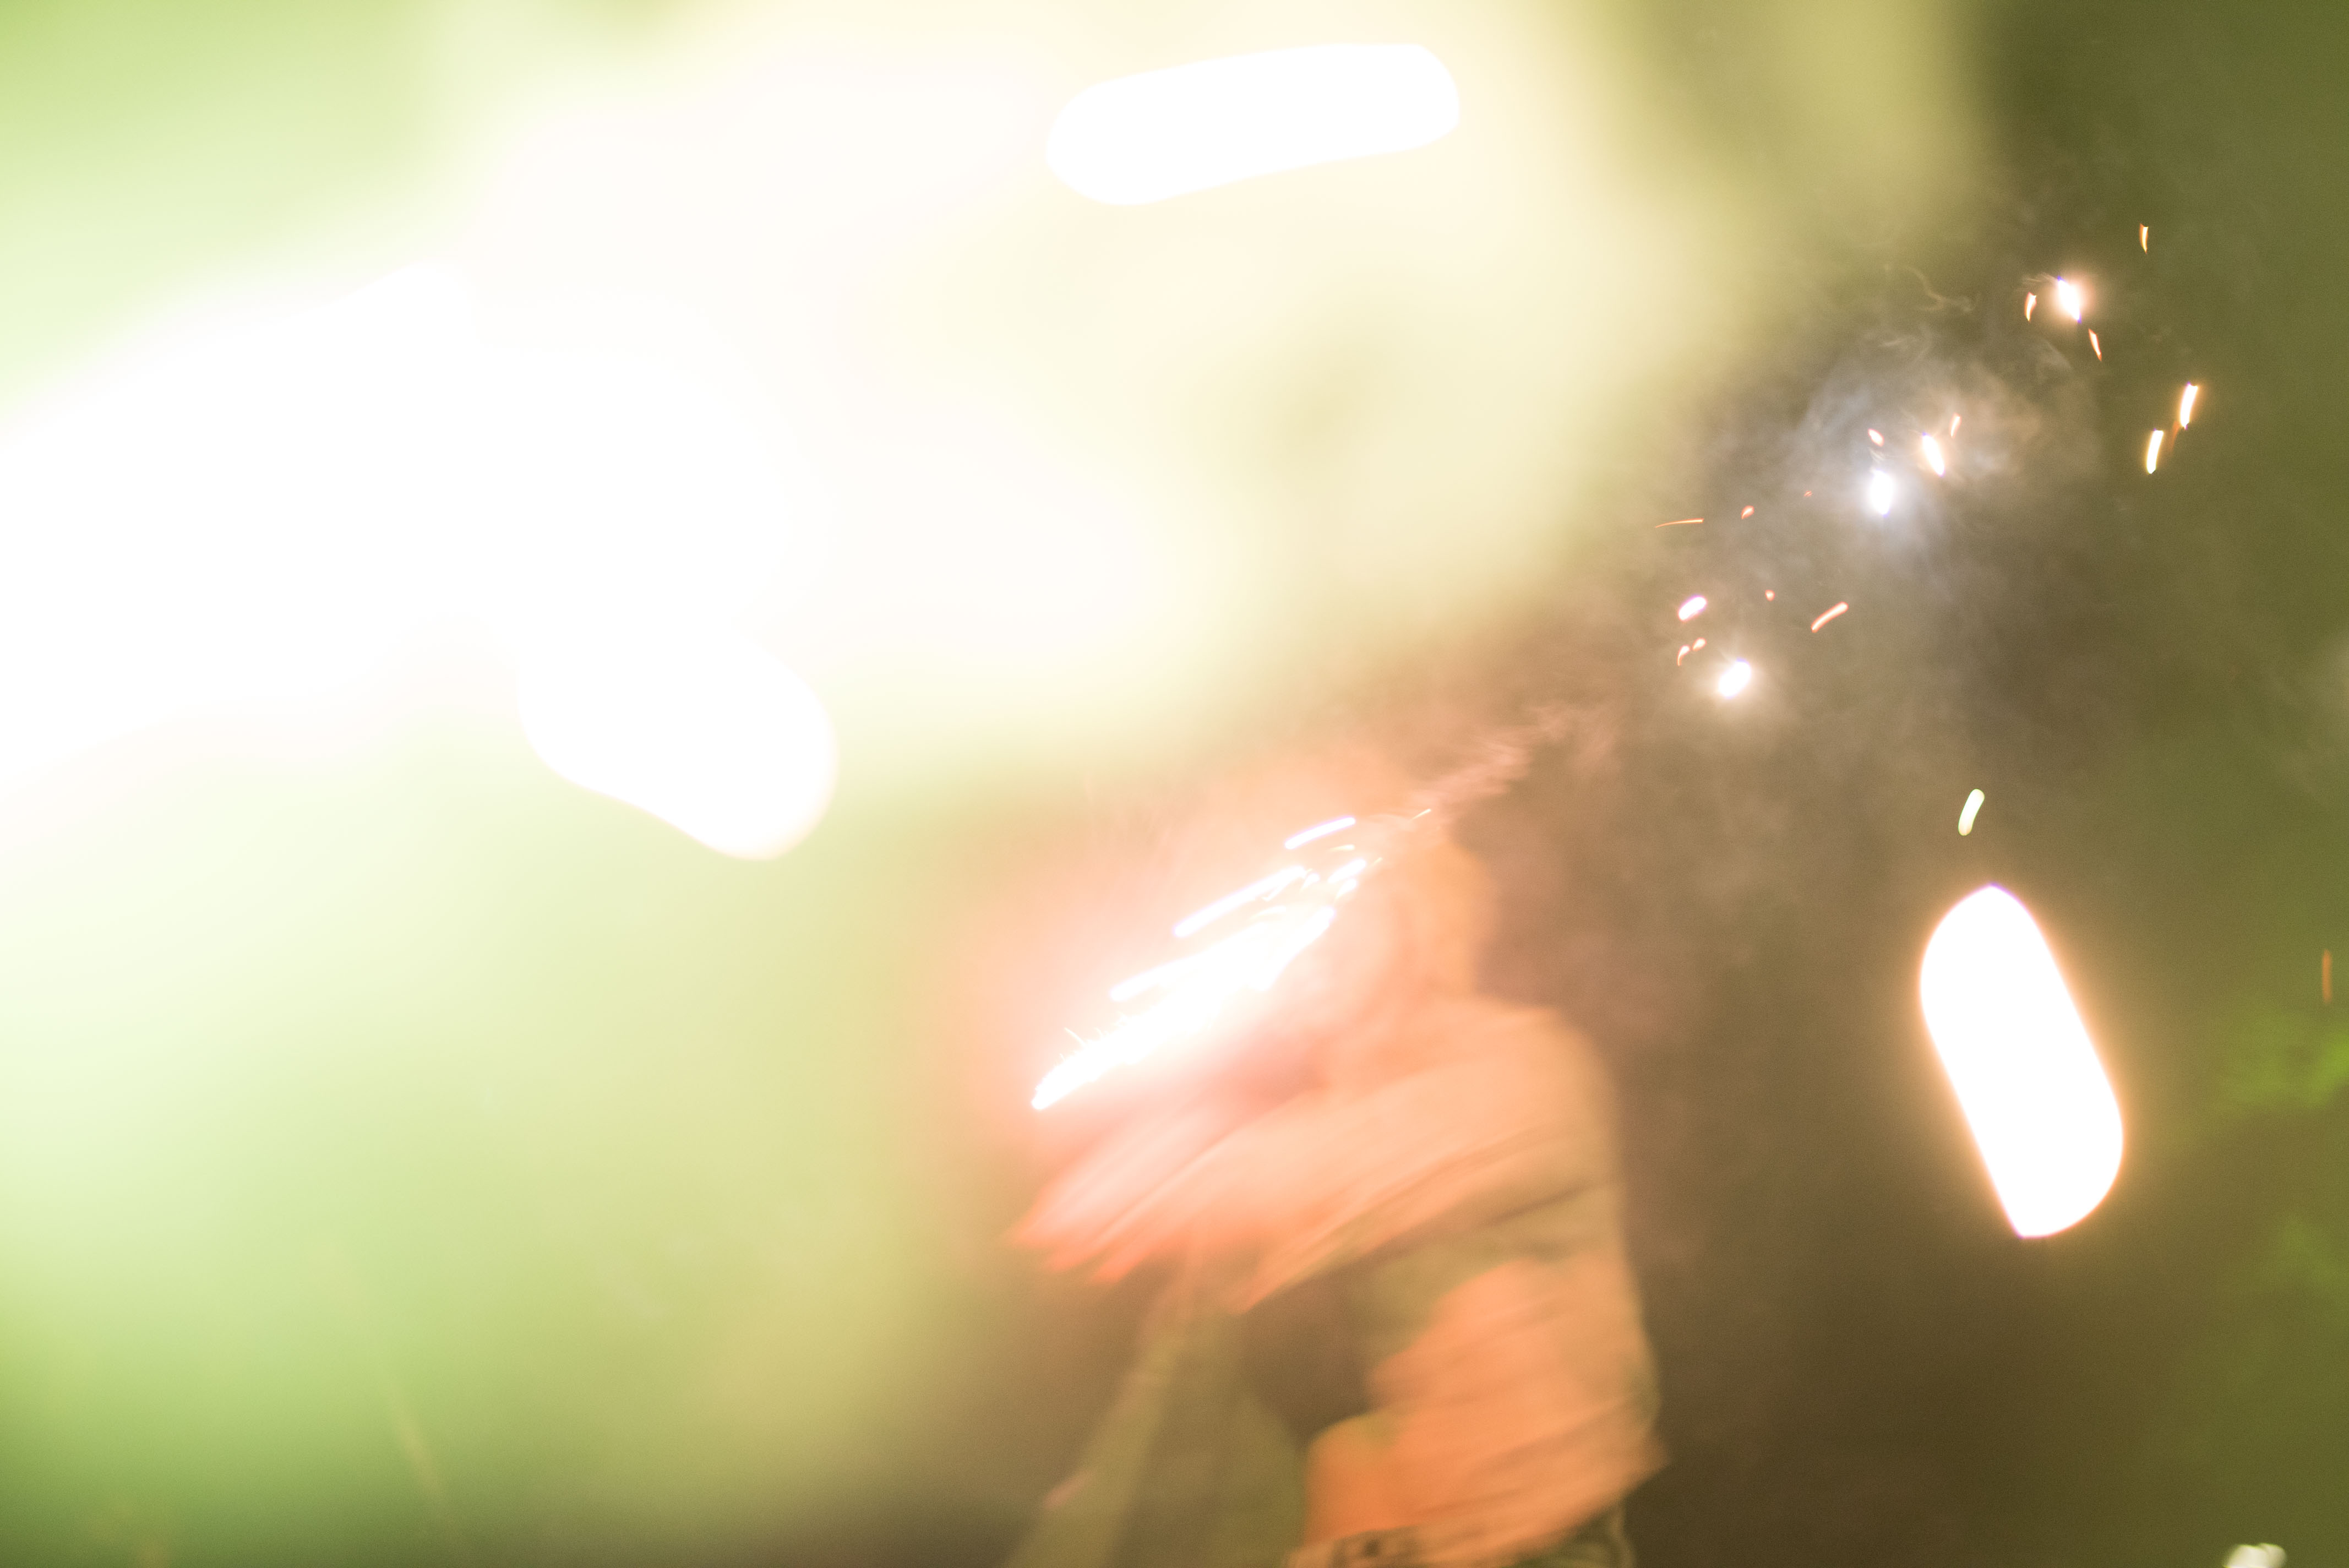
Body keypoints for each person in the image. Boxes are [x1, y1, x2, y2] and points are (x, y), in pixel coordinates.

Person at [1011, 826, 1660, 1568]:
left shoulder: (1524, 1069)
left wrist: (1195, 1173)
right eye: (1275, 914)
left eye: (1335, 902)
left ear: (1416, 918)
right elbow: (1147, 1441)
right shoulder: (1264, 1153)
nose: (1300, 938)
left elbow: (1370, 1163)